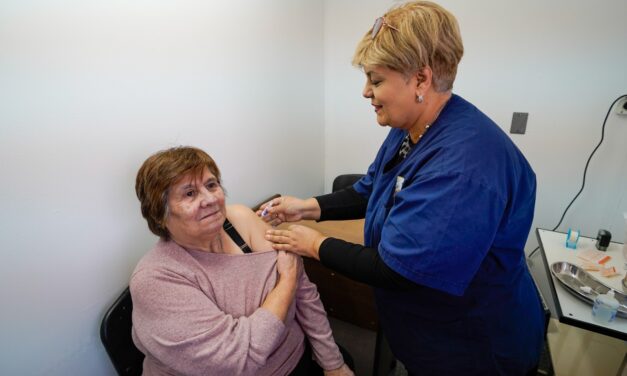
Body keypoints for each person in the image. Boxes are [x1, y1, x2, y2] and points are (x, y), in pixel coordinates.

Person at [260, 2, 544, 375]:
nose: (365, 92)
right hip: (423, 330)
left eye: (376, 80)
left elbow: (399, 269)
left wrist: (311, 243)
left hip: (472, 345)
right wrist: (307, 207)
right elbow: (369, 188)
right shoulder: (410, 127)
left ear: (421, 80)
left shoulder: (463, 168)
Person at [131, 146, 353, 376]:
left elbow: (304, 293)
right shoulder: (155, 279)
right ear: (160, 213)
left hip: (294, 353)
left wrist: (332, 363)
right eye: (189, 193)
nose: (210, 199)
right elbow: (235, 360)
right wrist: (286, 281)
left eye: (211, 185)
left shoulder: (239, 219)